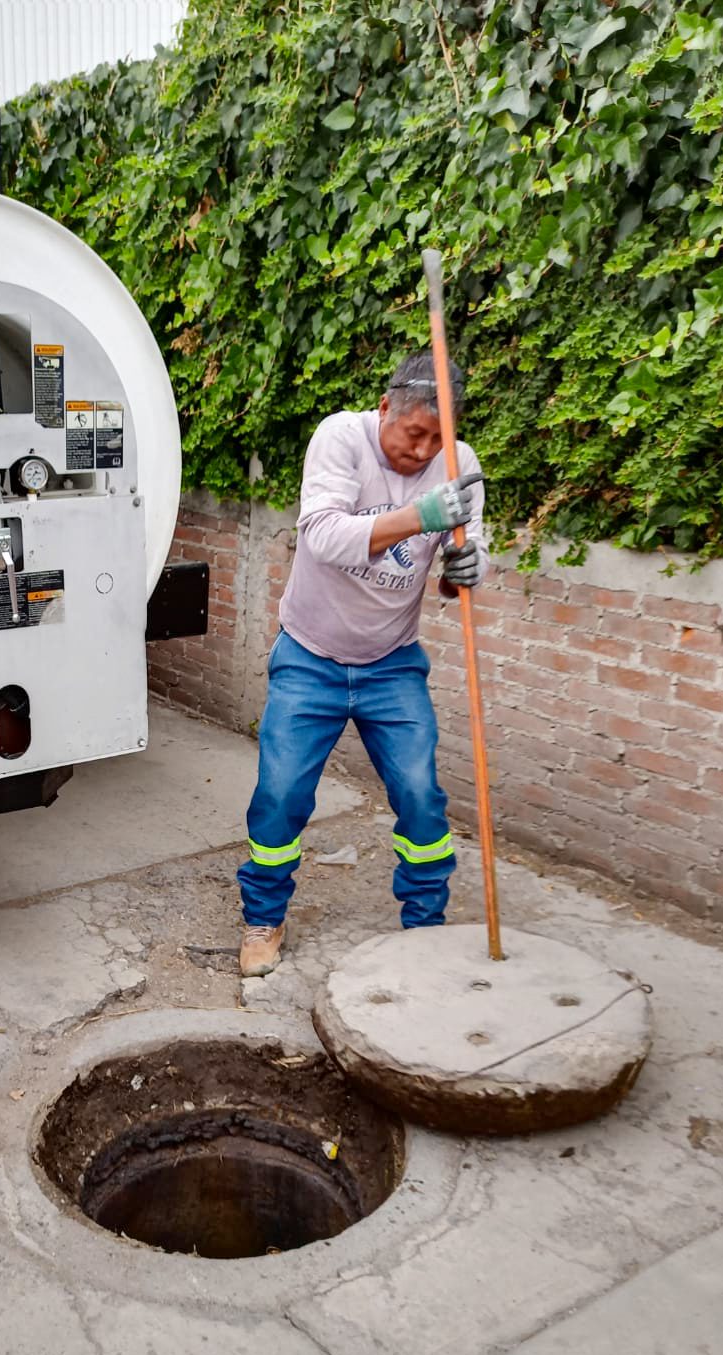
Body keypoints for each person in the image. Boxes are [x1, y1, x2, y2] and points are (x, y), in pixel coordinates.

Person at [237, 351, 488, 978]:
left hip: (391, 665)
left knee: (421, 799)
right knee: (281, 794)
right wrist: (421, 516)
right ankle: (263, 917)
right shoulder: (340, 438)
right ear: (385, 409)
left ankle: (425, 926)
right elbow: (321, 535)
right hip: (310, 658)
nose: (424, 450)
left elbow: (459, 573)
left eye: (439, 437)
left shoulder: (460, 468)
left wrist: (467, 571)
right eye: (413, 434)